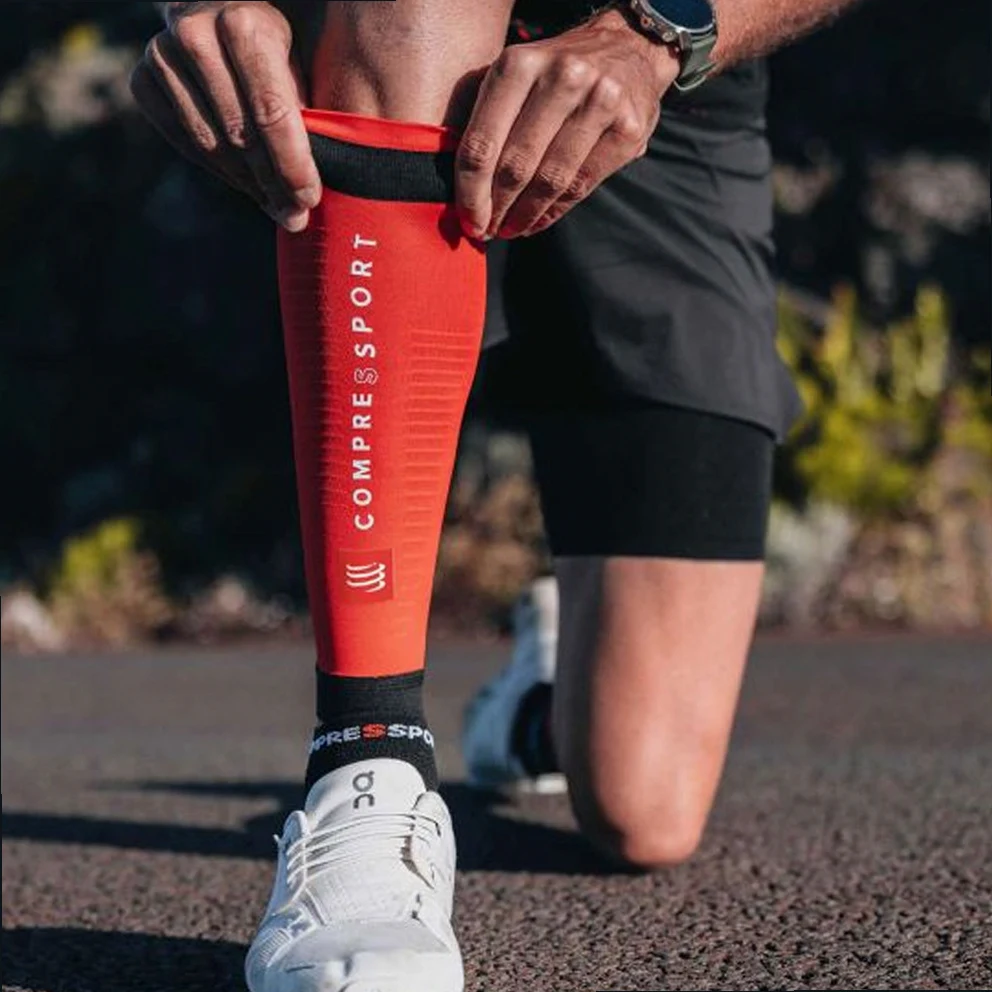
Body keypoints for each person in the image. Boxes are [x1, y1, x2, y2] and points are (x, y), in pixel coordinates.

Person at [131, 1, 858, 989]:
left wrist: (659, 35)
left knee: (644, 807)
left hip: (666, 81)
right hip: (391, 71)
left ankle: (537, 697)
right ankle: (368, 753)